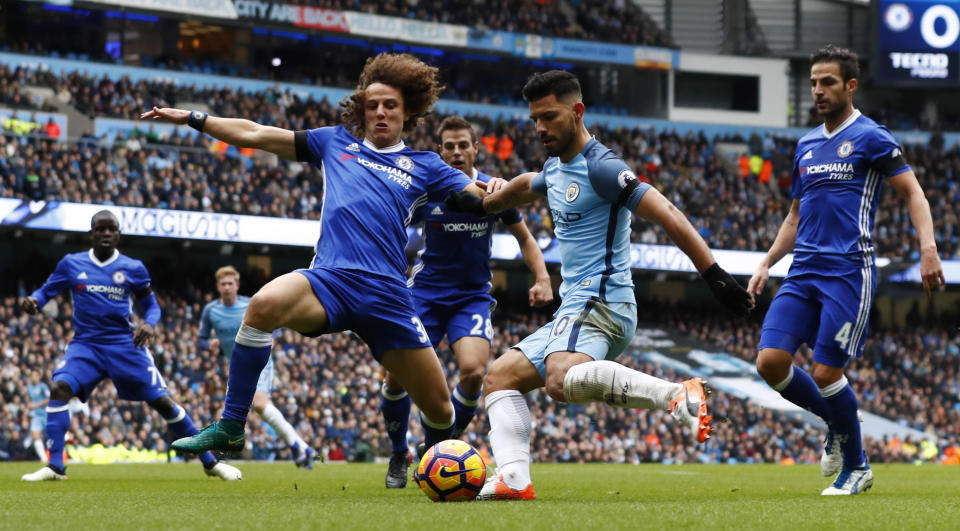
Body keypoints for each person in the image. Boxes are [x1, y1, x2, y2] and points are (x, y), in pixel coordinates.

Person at [141, 53, 484, 456]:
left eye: (390, 105)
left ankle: (438, 459)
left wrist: (513, 189)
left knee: (440, 409)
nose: (379, 112)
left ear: (407, 111)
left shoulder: (427, 165)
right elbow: (254, 134)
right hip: (331, 280)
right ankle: (232, 426)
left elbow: (480, 193)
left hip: (388, 293)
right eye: (371, 105)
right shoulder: (334, 141)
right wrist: (195, 119)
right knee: (263, 305)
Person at [446, 70, 753, 500]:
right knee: (499, 378)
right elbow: (526, 185)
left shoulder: (603, 167)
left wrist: (715, 276)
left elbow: (667, 212)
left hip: (603, 300)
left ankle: (675, 395)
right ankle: (513, 481)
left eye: (549, 116)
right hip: (576, 305)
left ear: (577, 111)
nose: (540, 127)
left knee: (558, 378)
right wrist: (483, 198)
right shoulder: (556, 167)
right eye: (534, 118)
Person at [747, 45, 946, 496]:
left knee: (824, 373)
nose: (818, 90)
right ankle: (836, 422)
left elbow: (914, 193)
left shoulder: (872, 137)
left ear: (850, 86)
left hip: (847, 271)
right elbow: (795, 216)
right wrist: (765, 263)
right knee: (770, 362)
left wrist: (928, 248)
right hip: (802, 271)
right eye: (814, 82)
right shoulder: (806, 144)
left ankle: (856, 468)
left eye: (828, 82)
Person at [381, 116, 554, 488]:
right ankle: (399, 452)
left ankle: (435, 452)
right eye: (449, 146)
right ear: (440, 151)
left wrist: (542, 278)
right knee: (395, 377)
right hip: (423, 294)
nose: (456, 152)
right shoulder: (427, 189)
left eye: (463, 145)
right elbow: (390, 224)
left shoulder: (491, 191)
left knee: (475, 372)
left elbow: (524, 238)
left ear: (476, 148)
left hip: (471, 297)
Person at [19, 211, 242, 481]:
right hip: (86, 345)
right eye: (100, 229)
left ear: (118, 234)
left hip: (124, 344)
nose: (105, 234)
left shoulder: (133, 267)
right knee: (60, 388)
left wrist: (149, 324)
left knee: (163, 402)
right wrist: (34, 301)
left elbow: (152, 306)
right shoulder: (71, 263)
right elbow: (45, 291)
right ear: (91, 234)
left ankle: (211, 462)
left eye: (111, 229)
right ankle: (55, 467)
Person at [198, 266, 317, 468]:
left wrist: (273, 338)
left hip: (259, 362)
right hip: (235, 367)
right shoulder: (211, 310)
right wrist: (209, 344)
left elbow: (274, 324)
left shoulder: (250, 304)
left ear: (237, 285)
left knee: (260, 404)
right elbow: (201, 339)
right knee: (239, 410)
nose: (227, 287)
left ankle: (298, 447)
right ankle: (302, 447)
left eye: (230, 283)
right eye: (223, 284)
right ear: (218, 287)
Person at [26, 369, 50, 463]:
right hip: (36, 416)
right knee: (35, 436)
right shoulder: (29, 388)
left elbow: (48, 399)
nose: (34, 377)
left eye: (36, 375)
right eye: (32, 375)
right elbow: (28, 399)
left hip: (46, 414)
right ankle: (44, 459)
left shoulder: (43, 386)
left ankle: (61, 454)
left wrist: (35, 405)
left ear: (39, 376)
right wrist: (29, 405)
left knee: (53, 436)